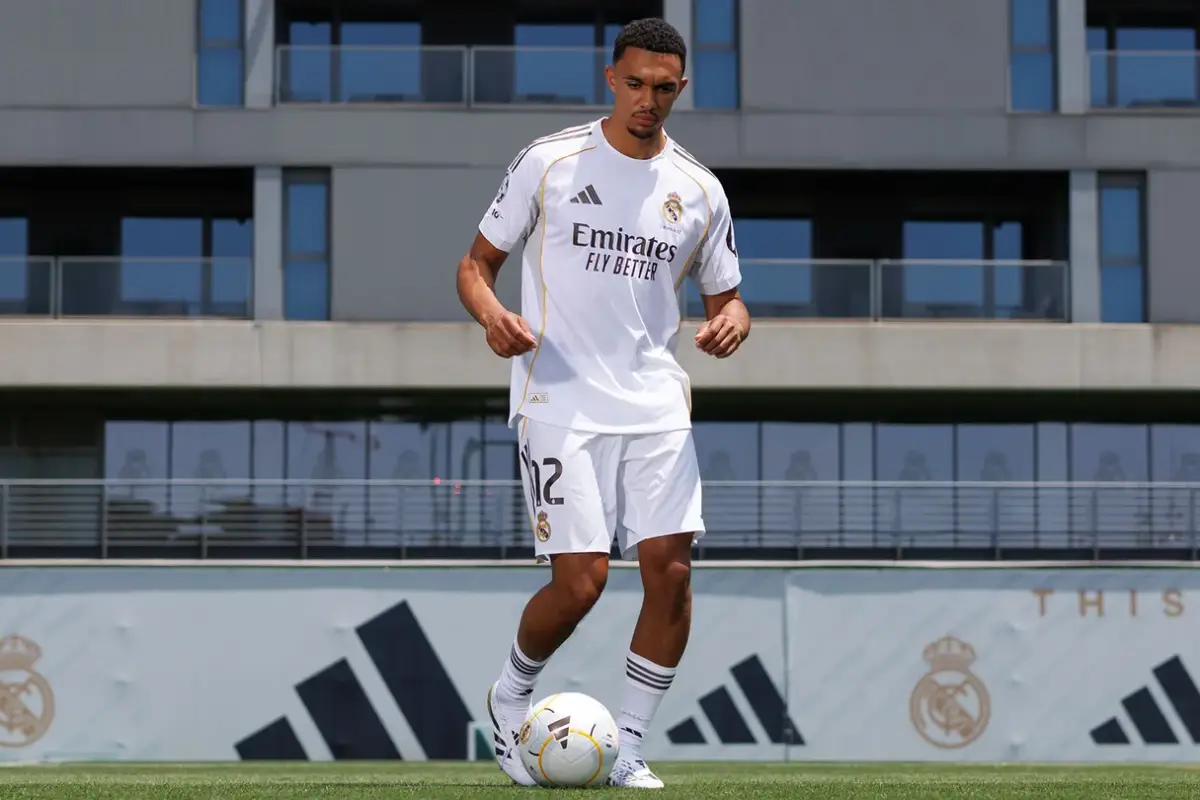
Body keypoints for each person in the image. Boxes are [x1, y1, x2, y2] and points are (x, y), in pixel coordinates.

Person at [456, 17, 749, 789]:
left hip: (655, 402)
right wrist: (493, 318)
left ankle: (628, 746)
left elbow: (731, 298)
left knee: (672, 573)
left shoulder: (700, 190)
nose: (647, 100)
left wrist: (733, 320)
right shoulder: (549, 161)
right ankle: (511, 696)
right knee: (582, 582)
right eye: (635, 84)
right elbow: (475, 265)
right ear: (610, 78)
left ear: (679, 89)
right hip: (558, 398)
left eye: (663, 88)